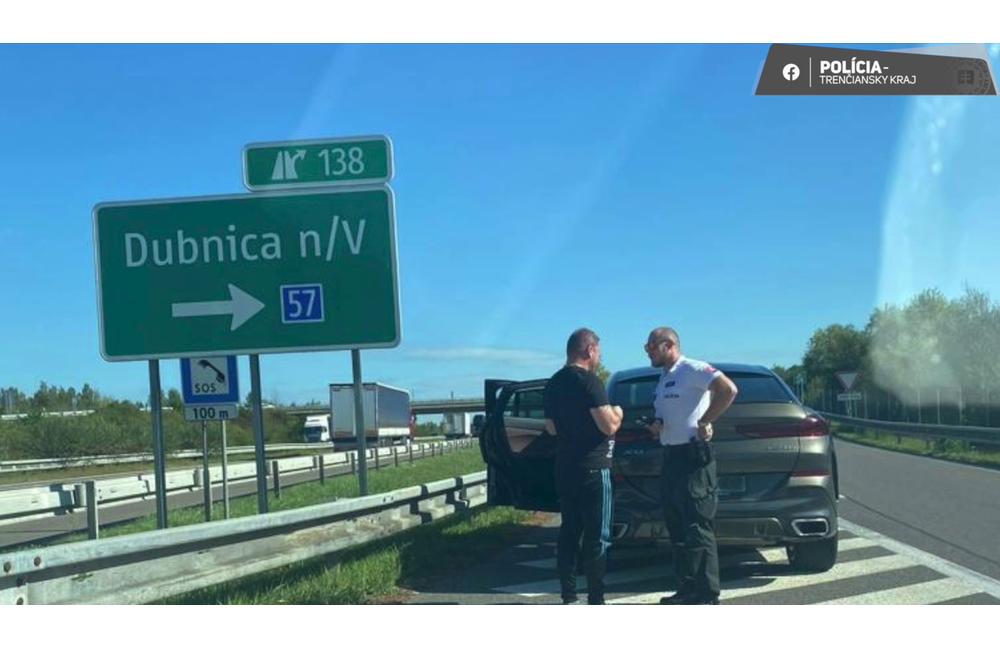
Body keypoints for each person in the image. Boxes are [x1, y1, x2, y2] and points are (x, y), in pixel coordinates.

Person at [644, 326, 738, 605]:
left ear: (668, 344)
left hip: (693, 457)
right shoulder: (664, 378)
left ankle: (707, 594)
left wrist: (706, 420)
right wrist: (657, 425)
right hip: (671, 456)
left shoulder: (693, 369)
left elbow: (728, 390)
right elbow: (669, 414)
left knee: (698, 525)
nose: (647, 351)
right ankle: (686, 588)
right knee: (677, 526)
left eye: (650, 346)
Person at [543, 327, 623, 604]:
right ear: (589, 350)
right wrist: (619, 412)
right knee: (597, 535)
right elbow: (609, 424)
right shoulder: (590, 382)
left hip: (565, 467)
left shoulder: (553, 383)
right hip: (594, 467)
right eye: (599, 351)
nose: (600, 356)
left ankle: (568, 594)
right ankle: (596, 597)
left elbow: (551, 429)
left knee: (569, 531)